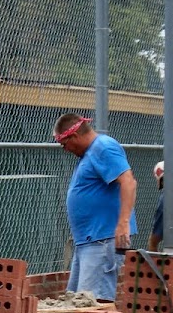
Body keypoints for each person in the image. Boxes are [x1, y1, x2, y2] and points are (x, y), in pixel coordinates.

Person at [54, 113, 137, 302]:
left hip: (101, 239)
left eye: (64, 144)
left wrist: (123, 224)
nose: (65, 149)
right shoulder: (90, 153)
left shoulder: (103, 147)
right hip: (89, 241)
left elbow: (129, 182)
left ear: (74, 137)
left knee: (93, 304)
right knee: (77, 302)